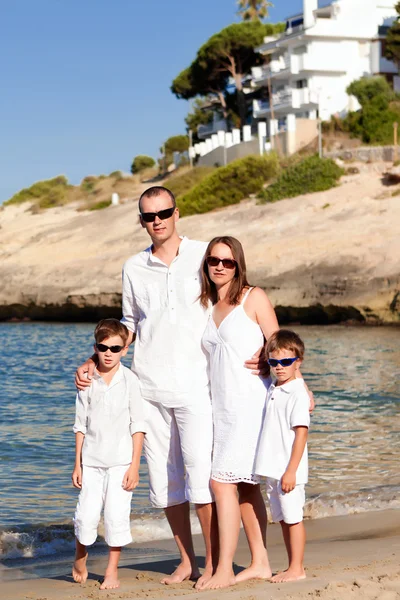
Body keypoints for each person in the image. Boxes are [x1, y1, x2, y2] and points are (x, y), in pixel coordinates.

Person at [75, 187, 267, 587]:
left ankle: (216, 563)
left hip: (197, 386)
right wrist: (95, 360)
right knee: (165, 484)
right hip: (148, 387)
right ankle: (187, 561)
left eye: (163, 212)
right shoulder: (133, 267)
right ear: (142, 221)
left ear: (176, 213)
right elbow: (127, 324)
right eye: (148, 216)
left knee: (203, 481)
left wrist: (273, 356)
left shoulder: (203, 254)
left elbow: (238, 297)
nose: (157, 220)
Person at [198, 236, 279, 591]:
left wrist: (269, 356)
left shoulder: (252, 296)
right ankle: (260, 562)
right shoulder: (205, 304)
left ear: (238, 265)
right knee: (246, 487)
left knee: (221, 482)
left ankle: (225, 570)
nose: (219, 266)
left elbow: (280, 343)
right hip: (221, 407)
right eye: (213, 260)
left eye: (227, 262)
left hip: (249, 403)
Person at [72, 318, 147, 590]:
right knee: (86, 516)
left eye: (115, 349)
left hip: (121, 462)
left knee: (116, 516)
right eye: (103, 347)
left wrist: (135, 466)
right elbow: (80, 425)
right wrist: (77, 464)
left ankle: (112, 570)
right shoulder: (86, 381)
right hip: (91, 461)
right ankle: (80, 556)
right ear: (95, 347)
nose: (108, 353)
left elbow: (138, 425)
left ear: (125, 350)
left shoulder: (130, 381)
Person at [255, 329, 310, 583]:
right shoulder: (275, 387)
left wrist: (291, 470)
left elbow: (301, 435)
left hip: (289, 470)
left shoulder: (297, 393)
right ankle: (291, 565)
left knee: (294, 519)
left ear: (297, 362)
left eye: (286, 362)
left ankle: (297, 568)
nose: (279, 367)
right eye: (274, 362)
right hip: (274, 468)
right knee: (284, 520)